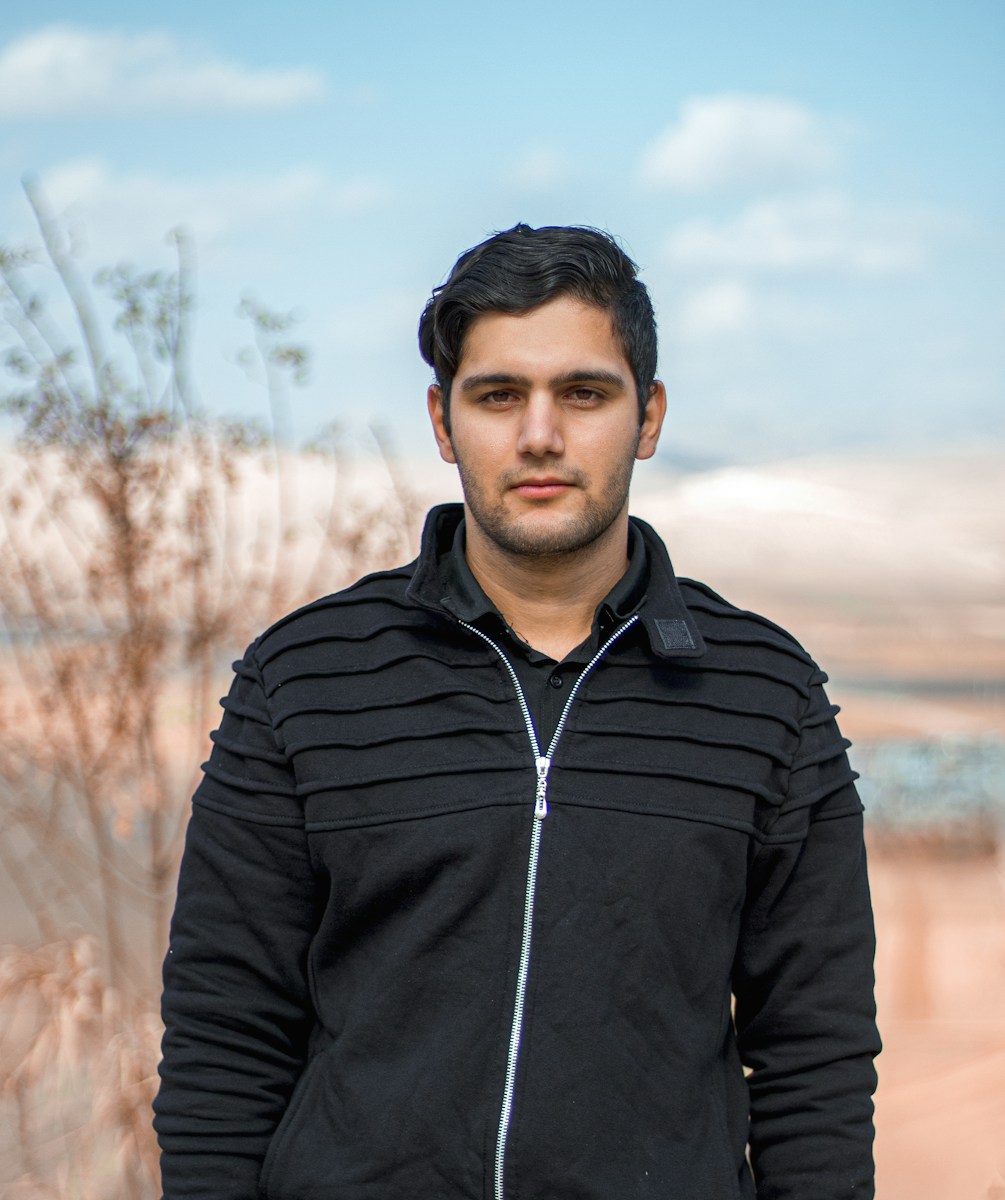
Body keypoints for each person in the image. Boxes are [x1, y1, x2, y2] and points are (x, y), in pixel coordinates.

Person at [154, 224, 880, 1199]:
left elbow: (813, 1061)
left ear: (649, 416)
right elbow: (224, 1036)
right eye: (499, 396)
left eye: (584, 393)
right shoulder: (306, 681)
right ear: (445, 423)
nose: (541, 434)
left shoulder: (766, 696)